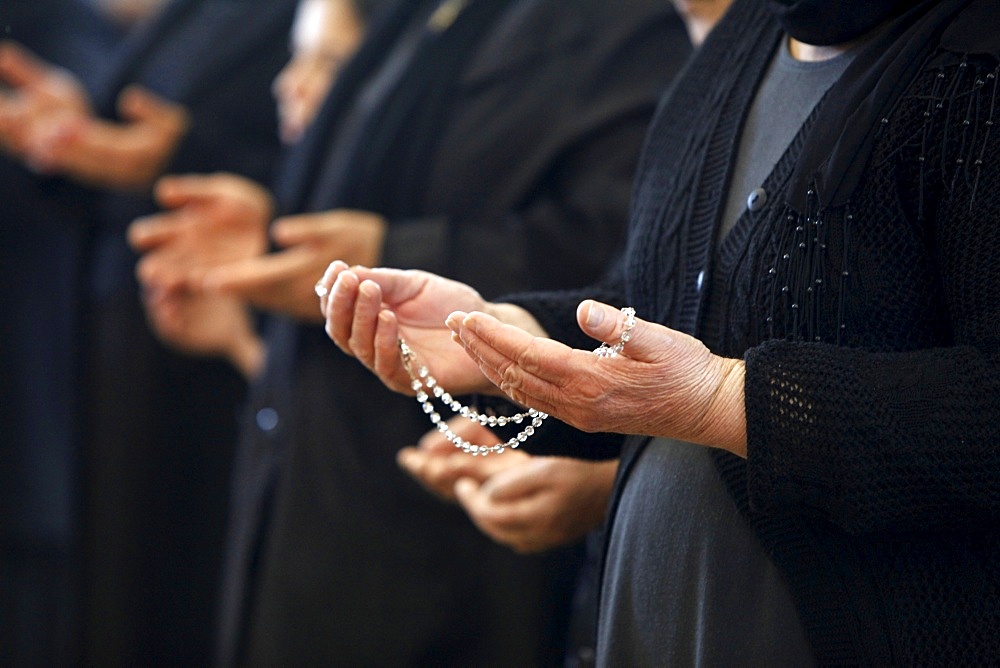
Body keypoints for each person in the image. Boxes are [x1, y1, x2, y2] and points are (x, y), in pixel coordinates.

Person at [319, 0, 1000, 663]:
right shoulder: (747, 37)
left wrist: (723, 399)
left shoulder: (974, 63)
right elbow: (654, 303)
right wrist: (502, 334)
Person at [129, 0, 693, 663]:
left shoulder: (621, 25)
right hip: (312, 480)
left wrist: (395, 249)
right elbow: (387, 188)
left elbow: (622, 259)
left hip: (443, 517)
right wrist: (277, 231)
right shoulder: (418, 14)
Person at [0, 0, 298, 662]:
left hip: (211, 355)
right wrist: (79, 136)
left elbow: (306, 175)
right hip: (124, 341)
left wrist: (181, 157)